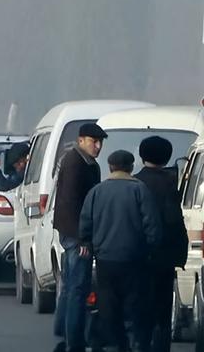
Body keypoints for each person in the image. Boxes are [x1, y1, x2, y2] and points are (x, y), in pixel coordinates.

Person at [80, 150, 162, 352]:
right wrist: (150, 248)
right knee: (135, 304)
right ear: (131, 167)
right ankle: (136, 343)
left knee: (109, 305)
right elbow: (152, 225)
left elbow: (85, 224)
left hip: (105, 259)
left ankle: (117, 343)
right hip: (134, 258)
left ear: (110, 167)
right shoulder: (140, 190)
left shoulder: (97, 192)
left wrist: (89, 244)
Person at [52, 122, 107, 352]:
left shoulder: (87, 163)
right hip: (76, 234)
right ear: (81, 140)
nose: (97, 146)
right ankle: (74, 341)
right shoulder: (75, 162)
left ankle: (63, 330)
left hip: (73, 232)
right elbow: (72, 203)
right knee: (78, 288)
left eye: (100, 142)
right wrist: (83, 237)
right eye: (93, 142)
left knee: (69, 286)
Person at [134, 136, 189, 352]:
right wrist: (179, 253)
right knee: (163, 312)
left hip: (138, 256)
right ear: (167, 156)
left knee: (141, 308)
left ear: (142, 155)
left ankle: (141, 345)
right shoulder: (169, 183)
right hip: (164, 257)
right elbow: (174, 221)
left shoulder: (135, 181)